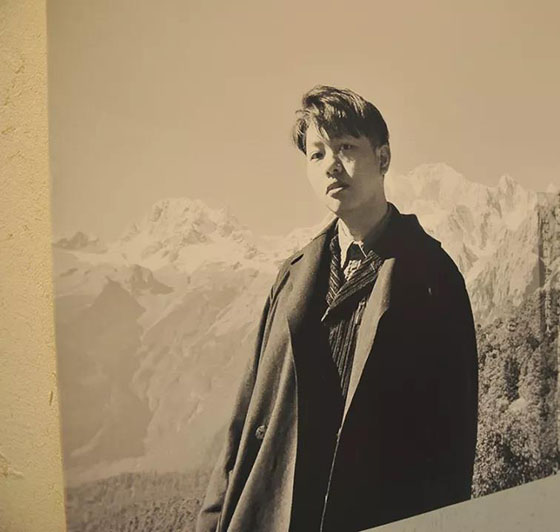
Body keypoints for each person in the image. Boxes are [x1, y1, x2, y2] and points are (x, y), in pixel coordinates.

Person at [196, 85, 478, 532]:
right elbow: (247, 417)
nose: (330, 164)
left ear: (383, 158)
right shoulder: (292, 278)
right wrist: (213, 520)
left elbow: (453, 442)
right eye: (317, 154)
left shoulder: (432, 276)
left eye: (346, 147)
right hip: (278, 513)